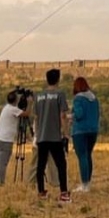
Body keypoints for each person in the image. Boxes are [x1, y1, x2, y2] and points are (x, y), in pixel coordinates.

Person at [34, 69, 70, 202]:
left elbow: (36, 118)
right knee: (61, 164)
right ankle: (64, 193)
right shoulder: (60, 94)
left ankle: (41, 192)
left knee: (40, 165)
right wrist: (66, 134)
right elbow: (63, 116)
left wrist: (37, 135)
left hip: (42, 136)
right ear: (58, 79)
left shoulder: (39, 95)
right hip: (55, 136)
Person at [0, 92, 30, 187]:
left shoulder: (6, 108)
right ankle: (1, 184)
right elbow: (27, 114)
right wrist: (30, 103)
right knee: (2, 163)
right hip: (5, 141)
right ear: (15, 100)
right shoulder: (14, 109)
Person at [71, 76, 100, 193]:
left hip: (80, 131)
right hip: (93, 130)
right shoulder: (94, 98)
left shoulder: (78, 99)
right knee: (88, 156)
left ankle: (84, 184)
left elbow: (79, 114)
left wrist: (71, 115)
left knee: (82, 156)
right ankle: (88, 182)